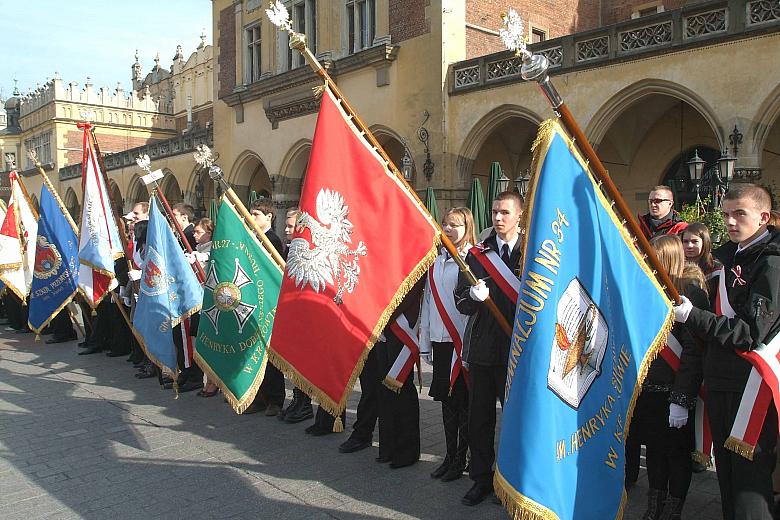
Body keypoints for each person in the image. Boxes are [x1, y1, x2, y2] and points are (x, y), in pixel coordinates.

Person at [674, 184, 780, 520]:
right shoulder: (725, 257)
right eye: (725, 215)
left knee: (750, 487)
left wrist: (695, 316)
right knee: (728, 481)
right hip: (720, 379)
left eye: (739, 214)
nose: (731, 222)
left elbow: (750, 333)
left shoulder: (772, 264)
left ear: (763, 217)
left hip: (751, 387)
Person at [454, 191, 523, 506]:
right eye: (495, 212)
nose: (497, 218)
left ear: (519, 215)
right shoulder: (477, 255)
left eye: (505, 212)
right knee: (479, 420)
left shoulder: (533, 252)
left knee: (516, 420)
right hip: (483, 351)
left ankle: (511, 481)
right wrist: (472, 296)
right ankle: (481, 479)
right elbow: (460, 301)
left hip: (518, 354)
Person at [636, 235, 707, 520]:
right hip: (650, 386)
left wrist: (681, 398)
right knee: (654, 449)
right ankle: (654, 507)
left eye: (653, 257)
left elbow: (693, 350)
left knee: (676, 454)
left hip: (675, 387)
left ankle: (672, 511)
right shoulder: (650, 288)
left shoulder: (690, 290)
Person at [420, 207, 476, 482]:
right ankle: (450, 455)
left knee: (463, 402)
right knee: (446, 402)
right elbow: (429, 302)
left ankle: (462, 459)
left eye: (454, 224)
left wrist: (465, 345)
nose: (448, 229)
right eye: (444, 224)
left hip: (461, 343)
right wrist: (425, 341)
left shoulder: (471, 261)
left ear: (467, 228)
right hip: (441, 341)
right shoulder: (436, 260)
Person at [244, 199, 286, 416]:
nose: (252, 218)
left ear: (269, 216)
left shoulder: (272, 240)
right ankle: (259, 396)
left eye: (256, 214)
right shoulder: (254, 238)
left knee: (270, 354)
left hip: (268, 302)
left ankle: (275, 399)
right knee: (255, 351)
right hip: (254, 301)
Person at [278, 207, 314, 424]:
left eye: (291, 226)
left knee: (306, 361)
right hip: (292, 312)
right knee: (295, 360)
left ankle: (305, 404)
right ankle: (298, 399)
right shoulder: (289, 249)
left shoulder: (307, 251)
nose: (287, 230)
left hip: (307, 315)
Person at [190, 218, 219, 398]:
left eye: (199, 232)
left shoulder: (213, 251)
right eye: (194, 232)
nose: (195, 235)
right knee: (200, 342)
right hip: (197, 301)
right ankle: (206, 379)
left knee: (209, 342)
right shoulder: (198, 250)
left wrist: (203, 259)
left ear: (209, 234)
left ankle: (213, 380)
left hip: (209, 302)